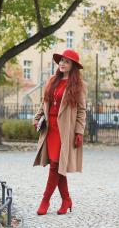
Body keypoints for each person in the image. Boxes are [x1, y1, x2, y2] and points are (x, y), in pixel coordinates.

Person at [33, 49, 87, 215]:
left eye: (67, 61)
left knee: (55, 165)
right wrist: (37, 117)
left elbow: (81, 111)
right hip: (51, 129)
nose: (62, 63)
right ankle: (66, 199)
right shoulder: (52, 80)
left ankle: (45, 201)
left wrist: (79, 132)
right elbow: (45, 103)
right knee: (57, 165)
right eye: (61, 60)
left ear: (73, 66)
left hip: (65, 131)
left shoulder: (79, 85)